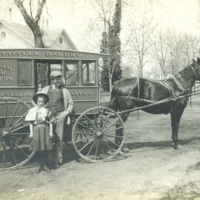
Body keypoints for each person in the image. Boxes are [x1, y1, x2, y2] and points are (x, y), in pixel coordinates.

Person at [42, 71, 74, 168]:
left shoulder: (65, 91)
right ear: (52, 80)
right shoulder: (45, 89)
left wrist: (67, 112)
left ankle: (58, 161)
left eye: (59, 78)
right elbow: (36, 100)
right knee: (48, 139)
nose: (58, 81)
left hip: (60, 116)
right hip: (48, 117)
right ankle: (48, 161)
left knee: (59, 139)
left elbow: (70, 103)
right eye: (56, 79)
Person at [25, 92, 54, 173]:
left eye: (42, 102)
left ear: (44, 102)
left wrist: (51, 132)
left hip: (45, 130)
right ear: (36, 102)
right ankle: (39, 165)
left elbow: (50, 122)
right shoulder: (33, 111)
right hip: (36, 130)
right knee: (37, 149)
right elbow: (31, 123)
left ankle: (45, 165)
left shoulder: (47, 111)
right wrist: (31, 133)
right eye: (39, 102)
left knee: (45, 149)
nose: (41, 103)